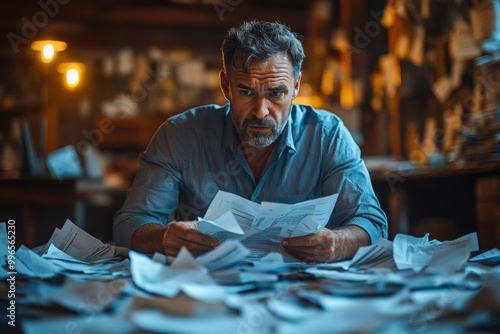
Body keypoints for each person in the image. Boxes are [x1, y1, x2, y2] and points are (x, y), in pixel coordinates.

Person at [113, 20, 387, 263]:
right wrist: (162, 238)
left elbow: (372, 222)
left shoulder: (328, 135)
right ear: (225, 86)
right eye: (246, 92)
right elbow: (130, 223)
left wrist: (338, 243)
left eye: (276, 93)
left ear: (296, 87)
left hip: (301, 294)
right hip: (207, 293)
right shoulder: (180, 135)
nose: (260, 111)